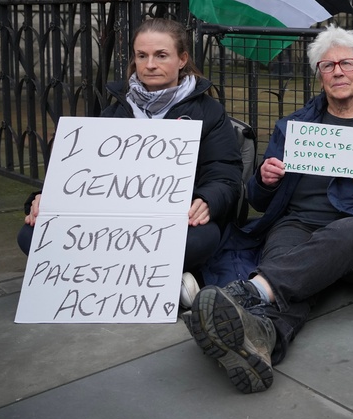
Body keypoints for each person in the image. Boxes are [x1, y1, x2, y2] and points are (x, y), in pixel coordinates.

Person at [186, 25, 353, 394]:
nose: (338, 72)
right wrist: (264, 180)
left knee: (344, 234)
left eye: (346, 63)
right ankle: (262, 340)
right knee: (286, 260)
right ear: (319, 76)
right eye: (327, 66)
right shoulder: (295, 126)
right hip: (298, 223)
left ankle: (249, 292)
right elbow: (259, 201)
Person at [18, 17, 243, 301]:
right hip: (113, 225)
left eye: (161, 55)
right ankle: (156, 279)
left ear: (182, 59)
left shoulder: (209, 112)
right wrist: (45, 199)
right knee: (30, 235)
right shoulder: (115, 112)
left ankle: (101, 276)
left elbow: (225, 173)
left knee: (204, 239)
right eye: (142, 55)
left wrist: (208, 200)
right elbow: (80, 175)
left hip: (174, 222)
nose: (150, 64)